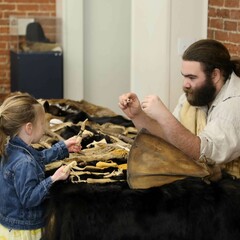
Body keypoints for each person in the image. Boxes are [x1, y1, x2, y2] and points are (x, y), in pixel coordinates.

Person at [119, 39, 240, 179]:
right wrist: (137, 115)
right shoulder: (198, 94)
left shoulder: (233, 105)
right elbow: (170, 138)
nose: (185, 84)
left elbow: (203, 153)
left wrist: (164, 116)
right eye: (184, 76)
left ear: (215, 75)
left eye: (192, 77)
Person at [0, 92, 81, 239]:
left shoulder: (12, 148)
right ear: (29, 128)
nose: (45, 128)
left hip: (11, 225)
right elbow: (29, 198)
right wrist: (54, 179)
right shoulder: (24, 162)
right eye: (42, 123)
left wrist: (63, 147)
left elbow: (39, 157)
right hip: (24, 231)